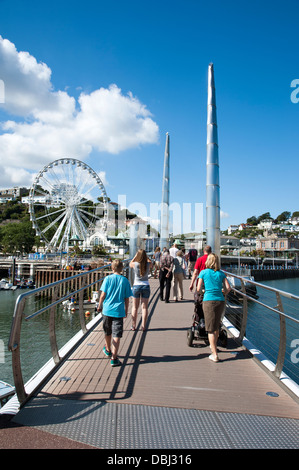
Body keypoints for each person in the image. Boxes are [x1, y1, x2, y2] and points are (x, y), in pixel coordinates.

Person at [97, 259, 132, 367]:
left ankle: (107, 349)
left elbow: (103, 295)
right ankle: (114, 357)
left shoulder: (107, 279)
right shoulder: (125, 280)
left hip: (107, 310)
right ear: (122, 269)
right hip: (118, 311)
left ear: (112, 268)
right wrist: (126, 310)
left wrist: (99, 305)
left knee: (107, 331)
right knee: (117, 334)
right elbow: (127, 298)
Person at [196, 253, 231, 362]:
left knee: (210, 329)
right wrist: (224, 292)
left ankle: (214, 354)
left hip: (209, 300)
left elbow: (198, 288)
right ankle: (213, 346)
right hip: (220, 300)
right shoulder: (221, 274)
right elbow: (228, 288)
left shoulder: (203, 272)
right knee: (216, 326)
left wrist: (203, 291)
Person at [129, 249, 152, 331]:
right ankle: (143, 326)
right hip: (146, 286)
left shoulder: (135, 264)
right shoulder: (148, 264)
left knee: (135, 307)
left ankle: (133, 325)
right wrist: (146, 257)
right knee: (144, 307)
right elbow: (151, 262)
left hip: (136, 286)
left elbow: (130, 263)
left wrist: (135, 256)